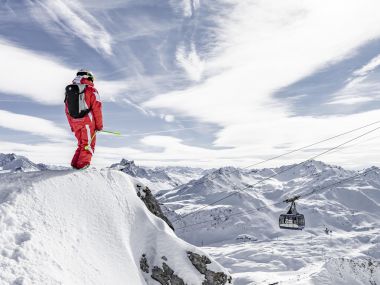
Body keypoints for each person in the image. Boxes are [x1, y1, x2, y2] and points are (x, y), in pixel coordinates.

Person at [65, 69, 103, 169]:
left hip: (75, 122)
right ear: (89, 77)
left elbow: (67, 110)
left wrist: (72, 125)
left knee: (81, 144)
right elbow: (97, 109)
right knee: (88, 144)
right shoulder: (91, 90)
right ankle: (82, 167)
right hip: (87, 122)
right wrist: (99, 126)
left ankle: (75, 165)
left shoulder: (69, 91)